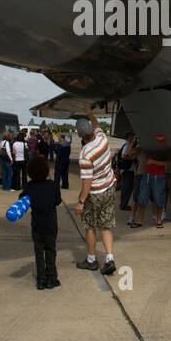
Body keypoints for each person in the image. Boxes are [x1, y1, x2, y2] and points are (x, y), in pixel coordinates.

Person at [74, 115, 117, 274]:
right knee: (105, 226)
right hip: (109, 188)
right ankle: (110, 258)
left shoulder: (85, 154)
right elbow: (97, 124)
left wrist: (81, 201)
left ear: (80, 136)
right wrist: (89, 111)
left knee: (90, 226)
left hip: (95, 194)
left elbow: (87, 182)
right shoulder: (102, 138)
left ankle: (91, 260)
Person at [21, 154, 62, 289]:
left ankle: (41, 280)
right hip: (50, 223)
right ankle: (52, 278)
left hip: (37, 224)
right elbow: (57, 201)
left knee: (39, 252)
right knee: (50, 250)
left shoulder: (29, 186)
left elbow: (22, 199)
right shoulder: (53, 185)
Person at [130, 152, 167, 228]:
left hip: (159, 176)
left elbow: (167, 163)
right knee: (142, 197)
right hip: (147, 174)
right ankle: (139, 220)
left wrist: (153, 162)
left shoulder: (164, 147)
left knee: (158, 198)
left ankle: (159, 220)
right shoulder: (148, 146)